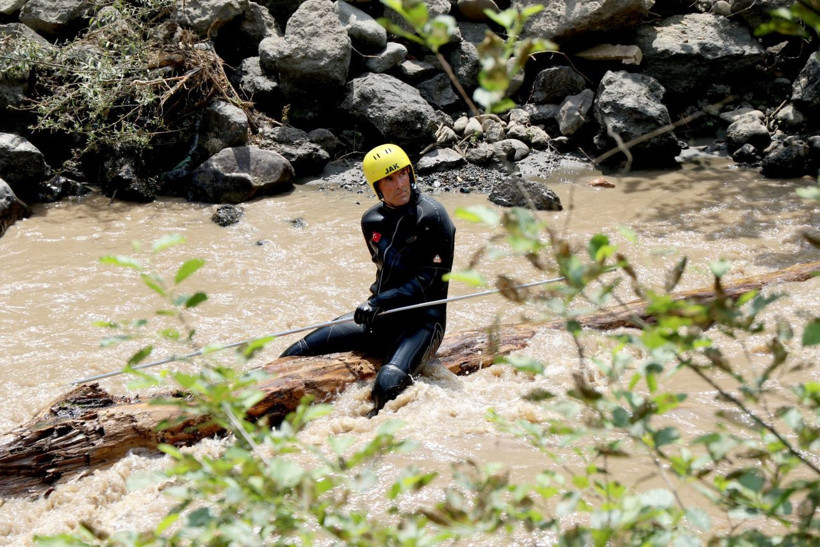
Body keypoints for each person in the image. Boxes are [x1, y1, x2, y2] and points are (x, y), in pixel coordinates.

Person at [280, 144, 456, 416]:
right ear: (377, 186)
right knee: (297, 351)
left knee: (385, 389)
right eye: (389, 178)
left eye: (402, 174)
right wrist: (376, 305)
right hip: (380, 316)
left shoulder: (432, 216)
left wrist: (379, 301)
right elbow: (384, 271)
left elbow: (430, 280)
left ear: (411, 174)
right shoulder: (371, 220)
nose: (399, 184)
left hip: (422, 321)